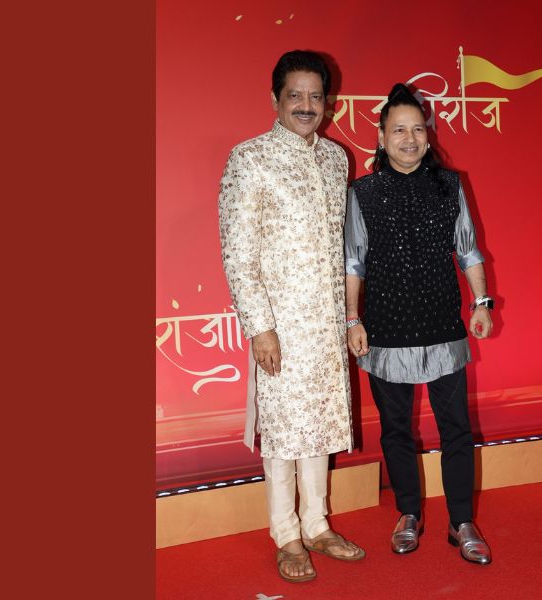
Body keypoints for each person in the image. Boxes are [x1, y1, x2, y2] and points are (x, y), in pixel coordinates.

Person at [218, 50, 364, 584]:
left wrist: (348, 318)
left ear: (328, 102)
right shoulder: (250, 158)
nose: (306, 105)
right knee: (283, 431)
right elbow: (239, 253)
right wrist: (260, 328)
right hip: (279, 326)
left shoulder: (336, 159)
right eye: (295, 95)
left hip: (326, 325)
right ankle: (286, 533)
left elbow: (342, 247)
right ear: (275, 99)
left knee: (320, 425)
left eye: (315, 96)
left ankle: (318, 524)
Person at [344, 83, 494, 565]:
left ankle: (461, 521)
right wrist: (352, 319)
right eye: (398, 130)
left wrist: (481, 303)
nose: (409, 139)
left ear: (428, 136)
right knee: (395, 430)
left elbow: (468, 249)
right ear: (381, 137)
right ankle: (408, 512)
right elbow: (353, 262)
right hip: (385, 328)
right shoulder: (363, 193)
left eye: (417, 130)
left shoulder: (450, 185)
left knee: (456, 428)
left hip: (441, 325)